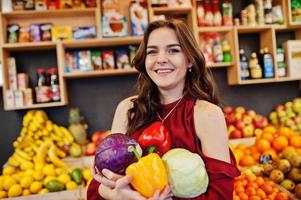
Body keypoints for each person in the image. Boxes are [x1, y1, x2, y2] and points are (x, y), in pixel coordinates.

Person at [87, 19, 240, 200]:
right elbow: (97, 187)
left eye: (173, 50)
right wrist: (116, 196)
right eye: (152, 52)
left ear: (190, 59)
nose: (161, 59)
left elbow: (221, 196)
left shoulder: (207, 114)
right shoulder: (128, 110)